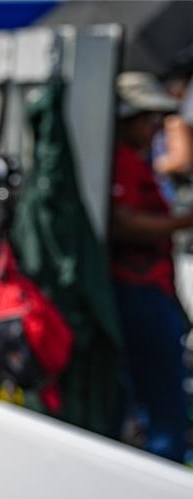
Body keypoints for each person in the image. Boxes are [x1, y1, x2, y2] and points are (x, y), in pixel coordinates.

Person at [110, 71, 193, 462]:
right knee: (163, 406)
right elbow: (122, 222)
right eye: (147, 118)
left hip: (150, 289)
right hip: (138, 291)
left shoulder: (137, 160)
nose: (156, 126)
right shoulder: (122, 161)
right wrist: (183, 222)